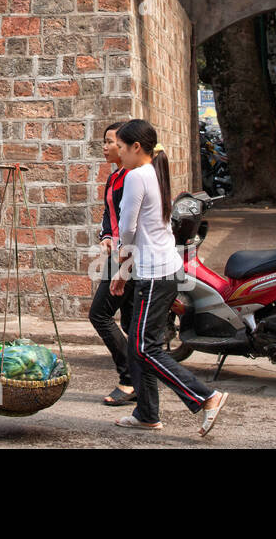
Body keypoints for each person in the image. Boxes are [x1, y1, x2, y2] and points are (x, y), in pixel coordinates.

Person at [111, 118, 227, 436]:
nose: (118, 153)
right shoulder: (154, 171)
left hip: (155, 274)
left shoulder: (137, 176)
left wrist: (121, 269)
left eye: (120, 147)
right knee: (139, 346)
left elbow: (129, 228)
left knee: (146, 347)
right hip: (162, 269)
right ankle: (147, 413)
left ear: (136, 147)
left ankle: (207, 396)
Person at [89, 121, 134, 406]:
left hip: (129, 257)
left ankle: (130, 379)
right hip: (115, 252)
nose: (105, 147)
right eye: (103, 142)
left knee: (100, 315)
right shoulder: (114, 177)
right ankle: (139, 381)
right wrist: (106, 235)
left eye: (110, 142)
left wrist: (124, 261)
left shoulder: (134, 178)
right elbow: (109, 214)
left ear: (125, 145)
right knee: (129, 322)